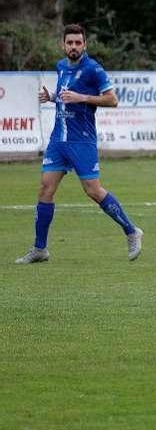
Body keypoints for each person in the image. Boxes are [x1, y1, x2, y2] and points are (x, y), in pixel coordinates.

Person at [15, 24, 143, 264]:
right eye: (69, 42)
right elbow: (66, 96)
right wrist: (52, 97)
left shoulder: (93, 69)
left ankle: (131, 230)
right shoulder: (61, 66)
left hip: (81, 140)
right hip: (58, 140)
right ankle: (40, 249)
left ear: (84, 45)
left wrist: (82, 97)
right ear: (63, 44)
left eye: (78, 43)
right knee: (45, 188)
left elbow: (113, 100)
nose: (73, 47)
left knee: (93, 190)